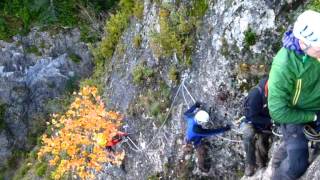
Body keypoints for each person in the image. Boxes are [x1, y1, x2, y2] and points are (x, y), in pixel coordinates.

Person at [268, 10, 320, 180]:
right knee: (296, 166)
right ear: (304, 43)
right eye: (319, 49)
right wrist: (312, 116)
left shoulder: (314, 51)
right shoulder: (284, 65)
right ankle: (277, 172)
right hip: (294, 114)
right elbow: (278, 111)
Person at [183, 101, 230, 172]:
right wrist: (224, 129)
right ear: (200, 121)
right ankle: (202, 167)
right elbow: (210, 132)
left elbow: (185, 114)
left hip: (188, 138)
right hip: (195, 142)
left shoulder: (192, 116)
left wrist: (195, 106)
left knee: (201, 148)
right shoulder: (197, 130)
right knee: (201, 152)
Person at [242, 76, 272, 176]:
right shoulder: (255, 95)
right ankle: (250, 164)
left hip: (264, 121)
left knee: (262, 142)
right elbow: (252, 117)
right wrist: (270, 120)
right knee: (248, 136)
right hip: (251, 121)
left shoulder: (273, 89)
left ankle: (262, 163)